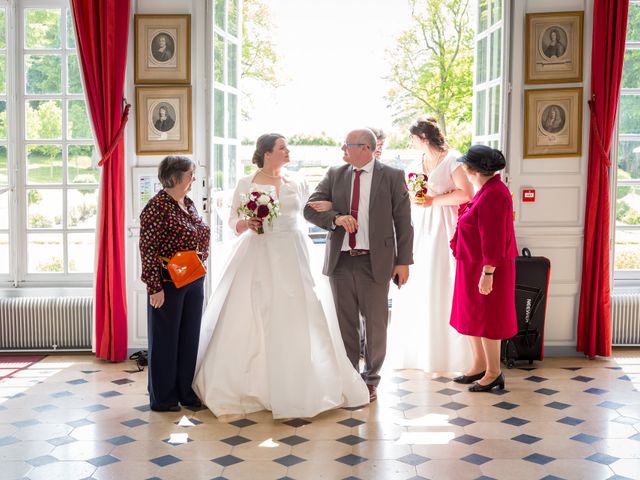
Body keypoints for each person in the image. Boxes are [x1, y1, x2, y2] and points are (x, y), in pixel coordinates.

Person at [193, 134, 369, 419]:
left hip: (293, 253)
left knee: (299, 313)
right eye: (282, 148)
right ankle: (254, 385)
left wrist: (331, 211)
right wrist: (245, 223)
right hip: (259, 251)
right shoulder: (246, 183)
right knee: (256, 314)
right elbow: (231, 221)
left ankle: (301, 381)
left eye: (287, 147)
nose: (288, 151)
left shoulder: (297, 182)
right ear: (266, 154)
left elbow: (310, 211)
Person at [304, 128, 413, 402]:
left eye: (348, 145)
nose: (344, 149)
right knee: (346, 324)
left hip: (375, 262)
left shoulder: (392, 176)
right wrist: (336, 217)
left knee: (376, 325)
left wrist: (403, 262)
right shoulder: (335, 174)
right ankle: (351, 376)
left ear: (365, 148)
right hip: (340, 261)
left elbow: (403, 223)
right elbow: (309, 208)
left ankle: (371, 379)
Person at [387, 116, 474, 373]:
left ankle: (450, 355)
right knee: (420, 279)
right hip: (421, 223)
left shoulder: (452, 160)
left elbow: (466, 193)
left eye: (413, 138)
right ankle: (418, 352)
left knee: (443, 278)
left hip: (444, 222)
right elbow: (413, 193)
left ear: (423, 137)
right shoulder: (416, 162)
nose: (412, 142)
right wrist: (417, 199)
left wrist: (433, 201)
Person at [139, 156, 210, 412]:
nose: (194, 178)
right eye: (191, 173)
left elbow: (201, 233)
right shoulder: (156, 207)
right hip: (168, 283)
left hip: (193, 278)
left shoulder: (188, 202)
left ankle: (185, 393)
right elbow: (147, 250)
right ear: (177, 176)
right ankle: (163, 399)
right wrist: (154, 287)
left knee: (188, 339)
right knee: (165, 341)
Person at [449, 144, 517, 392]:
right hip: (473, 265)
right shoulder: (486, 190)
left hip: (488, 266)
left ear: (472, 169)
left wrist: (488, 273)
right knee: (472, 316)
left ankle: (493, 372)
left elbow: (494, 238)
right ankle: (478, 365)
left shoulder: (494, 194)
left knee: (488, 319)